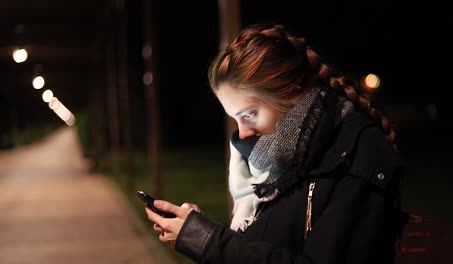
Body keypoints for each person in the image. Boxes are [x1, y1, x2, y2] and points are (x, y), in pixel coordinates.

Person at [144, 23, 405, 264]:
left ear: (291, 93)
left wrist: (209, 242)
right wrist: (202, 230)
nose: (242, 133)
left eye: (248, 115)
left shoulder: (358, 154)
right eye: (235, 119)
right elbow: (269, 243)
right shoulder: (286, 156)